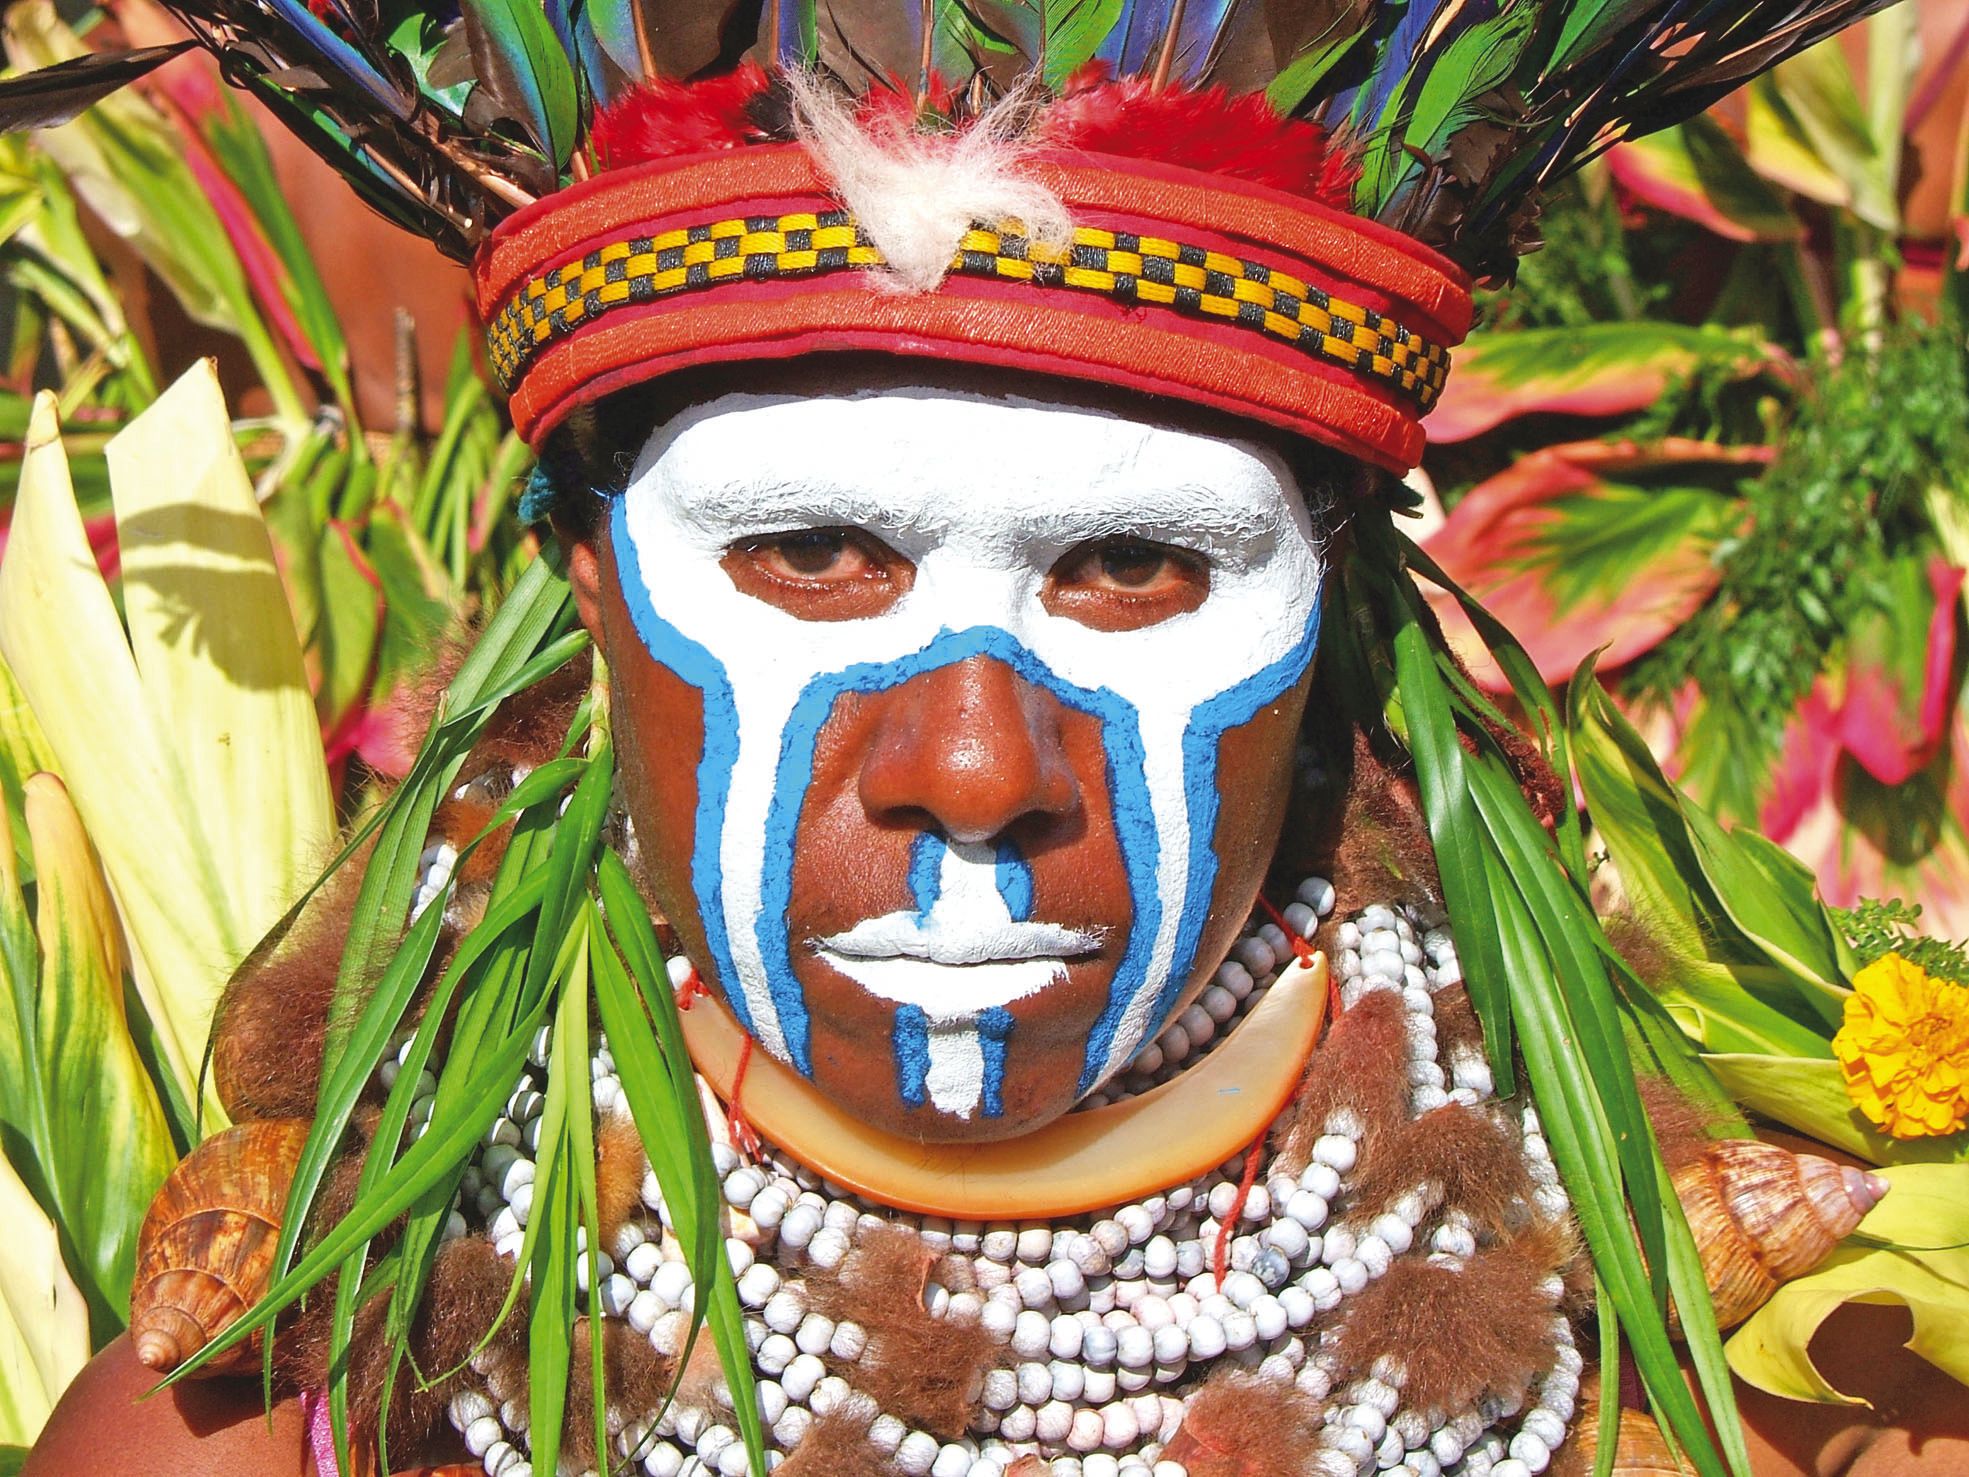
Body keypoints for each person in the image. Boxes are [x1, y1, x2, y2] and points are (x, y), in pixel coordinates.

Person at [18, 5, 1964, 1474]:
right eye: (809, 552)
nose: (972, 766)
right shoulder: (279, 1417)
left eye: (1130, 564)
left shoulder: (1723, 1382)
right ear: (593, 596)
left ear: (1331, 631)